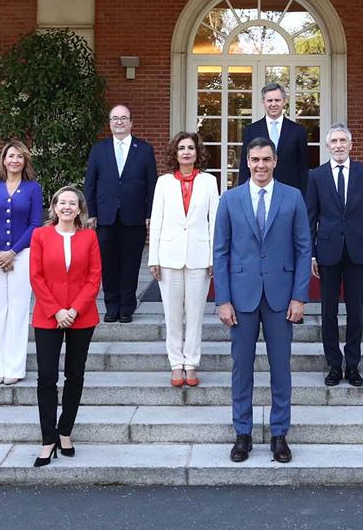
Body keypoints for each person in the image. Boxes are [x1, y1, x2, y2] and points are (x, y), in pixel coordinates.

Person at [214, 137, 312, 464]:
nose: (260, 165)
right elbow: (221, 252)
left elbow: (303, 249)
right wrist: (222, 299)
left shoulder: (293, 197)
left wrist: (300, 296)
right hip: (240, 297)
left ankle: (279, 433)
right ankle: (243, 433)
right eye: (254, 159)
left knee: (280, 368)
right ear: (247, 161)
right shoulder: (230, 199)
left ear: (275, 161)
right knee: (241, 368)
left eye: (266, 159)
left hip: (281, 298)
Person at [30, 185, 102, 467]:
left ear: (80, 209)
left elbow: (94, 278)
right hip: (48, 315)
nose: (67, 207)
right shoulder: (40, 235)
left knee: (75, 375)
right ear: (55, 207)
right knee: (46, 378)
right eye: (63, 202)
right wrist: (57, 310)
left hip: (81, 315)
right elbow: (36, 277)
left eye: (73, 203)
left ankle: (65, 431)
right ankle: (48, 439)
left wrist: (73, 310)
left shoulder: (89, 237)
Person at [306, 123, 363, 387]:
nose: (338, 145)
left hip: (358, 251)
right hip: (327, 252)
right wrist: (311, 254)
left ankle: (353, 365)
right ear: (328, 146)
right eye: (334, 141)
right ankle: (334, 365)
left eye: (342, 141)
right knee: (328, 311)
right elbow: (310, 217)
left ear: (350, 145)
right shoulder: (316, 175)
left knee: (355, 312)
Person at [148, 132, 220, 387]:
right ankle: (176, 364)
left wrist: (214, 257)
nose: (186, 152)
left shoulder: (210, 182)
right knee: (173, 314)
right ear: (175, 154)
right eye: (181, 148)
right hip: (168, 257)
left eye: (191, 148)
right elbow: (156, 220)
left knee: (196, 314)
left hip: (199, 257)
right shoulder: (164, 182)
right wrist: (153, 258)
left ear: (198, 153)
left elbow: (215, 223)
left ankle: (191, 364)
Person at [84, 104, 157, 323]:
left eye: (123, 118)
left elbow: (152, 185)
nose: (119, 122)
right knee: (108, 263)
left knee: (131, 262)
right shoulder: (99, 149)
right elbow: (90, 184)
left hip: (134, 216)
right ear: (110, 123)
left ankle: (127, 307)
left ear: (131, 122)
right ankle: (111, 306)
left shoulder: (144, 149)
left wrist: (150, 213)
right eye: (115, 118)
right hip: (105, 217)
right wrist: (91, 212)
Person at [0, 140, 42, 385]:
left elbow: (35, 224)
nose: (14, 160)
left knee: (18, 310)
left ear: (25, 161)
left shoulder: (32, 188)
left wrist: (13, 252)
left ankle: (15, 367)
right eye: (10, 156)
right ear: (3, 161)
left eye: (19, 156)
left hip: (23, 254)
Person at [237, 82, 309, 193]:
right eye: (270, 101)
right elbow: (244, 167)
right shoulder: (251, 130)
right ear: (263, 102)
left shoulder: (298, 131)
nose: (273, 104)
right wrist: (242, 194)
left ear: (284, 101)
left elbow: (303, 169)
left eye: (277, 100)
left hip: (289, 192)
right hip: (259, 191)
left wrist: (304, 198)